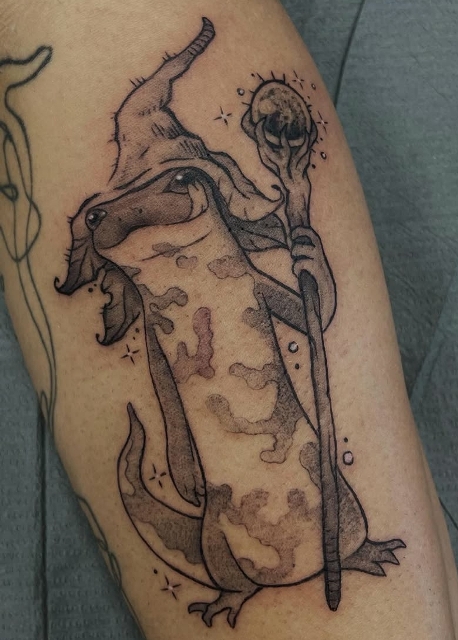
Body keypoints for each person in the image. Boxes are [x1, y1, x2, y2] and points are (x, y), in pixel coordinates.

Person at [0, 2, 456, 639]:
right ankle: (240, 584)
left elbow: (313, 319)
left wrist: (315, 269)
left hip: (314, 485)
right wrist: (180, 463)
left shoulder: (241, 274)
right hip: (234, 515)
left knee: (332, 498)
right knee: (229, 519)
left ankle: (346, 549)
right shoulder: (159, 311)